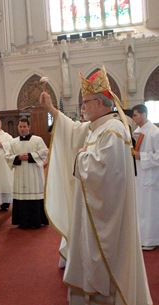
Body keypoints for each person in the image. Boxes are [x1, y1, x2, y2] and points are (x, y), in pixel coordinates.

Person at [40, 66, 152, 305]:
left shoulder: (112, 131)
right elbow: (73, 131)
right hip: (91, 213)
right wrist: (51, 109)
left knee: (103, 261)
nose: (83, 106)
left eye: (86, 102)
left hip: (105, 217)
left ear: (101, 103)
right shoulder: (97, 127)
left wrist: (80, 157)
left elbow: (102, 173)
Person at [5, 117, 48, 229]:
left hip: (34, 174)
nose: (22, 129)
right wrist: (18, 157)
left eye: (24, 126)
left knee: (35, 194)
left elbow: (44, 152)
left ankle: (36, 221)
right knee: (21, 197)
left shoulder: (37, 140)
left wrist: (29, 156)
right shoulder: (13, 142)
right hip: (20, 175)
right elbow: (7, 156)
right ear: (18, 127)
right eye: (20, 127)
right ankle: (22, 222)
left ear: (29, 127)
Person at [132, 104, 159, 251]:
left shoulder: (155, 132)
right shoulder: (137, 131)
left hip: (151, 176)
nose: (134, 118)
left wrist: (141, 156)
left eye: (135, 115)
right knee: (140, 208)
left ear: (143, 115)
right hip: (139, 176)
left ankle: (151, 239)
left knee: (150, 208)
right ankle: (141, 237)